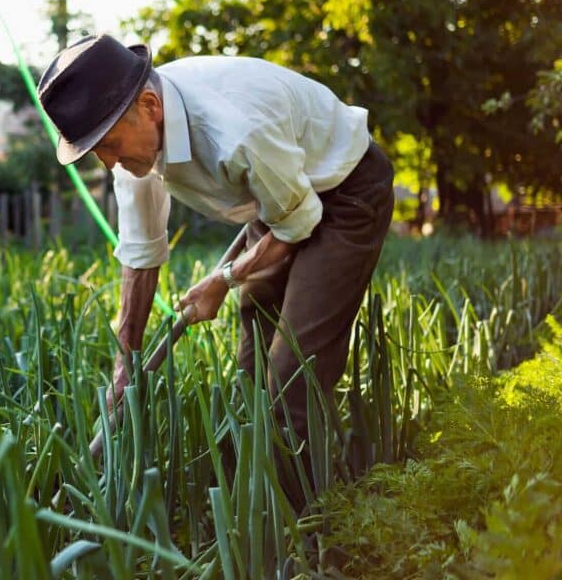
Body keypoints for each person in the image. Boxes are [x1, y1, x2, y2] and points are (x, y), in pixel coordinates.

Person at [37, 33, 394, 488]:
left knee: (292, 371)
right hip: (278, 197)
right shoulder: (133, 156)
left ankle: (313, 526)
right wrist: (126, 359)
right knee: (253, 357)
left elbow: (297, 224)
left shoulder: (233, 131)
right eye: (96, 152)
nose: (108, 164)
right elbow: (142, 257)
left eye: (108, 144)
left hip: (345, 193)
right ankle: (252, 489)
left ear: (150, 106)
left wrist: (223, 279)